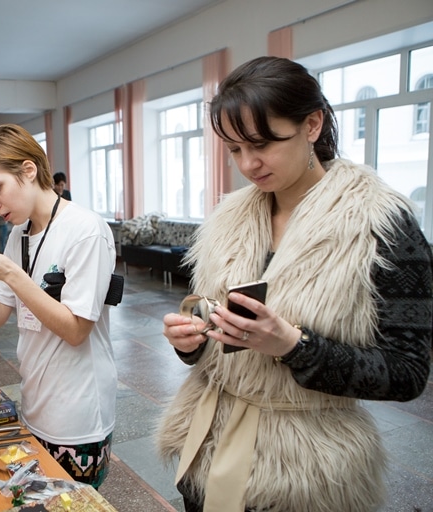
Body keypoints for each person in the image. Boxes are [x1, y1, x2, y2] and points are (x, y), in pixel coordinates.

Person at [156, 56, 432, 512]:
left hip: (303, 467)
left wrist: (294, 346)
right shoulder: (228, 220)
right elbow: (220, 342)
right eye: (234, 149)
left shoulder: (379, 225)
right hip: (208, 446)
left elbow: (408, 373)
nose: (248, 164)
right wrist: (192, 342)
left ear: (312, 125)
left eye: (262, 143)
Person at [0, 124, 118, 489]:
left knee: (75, 504)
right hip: (35, 405)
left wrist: (11, 274)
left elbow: (76, 331)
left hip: (78, 417)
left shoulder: (85, 229)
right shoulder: (19, 234)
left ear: (29, 170)